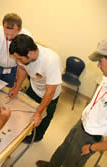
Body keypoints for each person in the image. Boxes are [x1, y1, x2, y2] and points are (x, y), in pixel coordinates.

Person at [36, 39, 107, 167]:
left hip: (92, 136)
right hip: (83, 122)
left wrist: (92, 147)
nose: (98, 65)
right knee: (65, 146)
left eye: (101, 61)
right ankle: (53, 165)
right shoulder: (105, 77)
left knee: (72, 162)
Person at [8, 34, 62, 143]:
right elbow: (22, 69)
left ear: (30, 53)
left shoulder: (51, 60)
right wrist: (16, 87)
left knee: (43, 119)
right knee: (26, 113)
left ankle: (37, 137)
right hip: (34, 88)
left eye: (19, 58)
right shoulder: (22, 54)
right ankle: (25, 131)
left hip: (50, 95)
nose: (17, 60)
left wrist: (39, 112)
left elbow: (50, 92)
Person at [0, 13, 32, 104]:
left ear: (19, 29)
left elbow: (23, 65)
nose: (8, 37)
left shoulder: (26, 36)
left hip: (14, 68)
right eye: (6, 33)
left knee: (9, 92)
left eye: (12, 35)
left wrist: (17, 87)